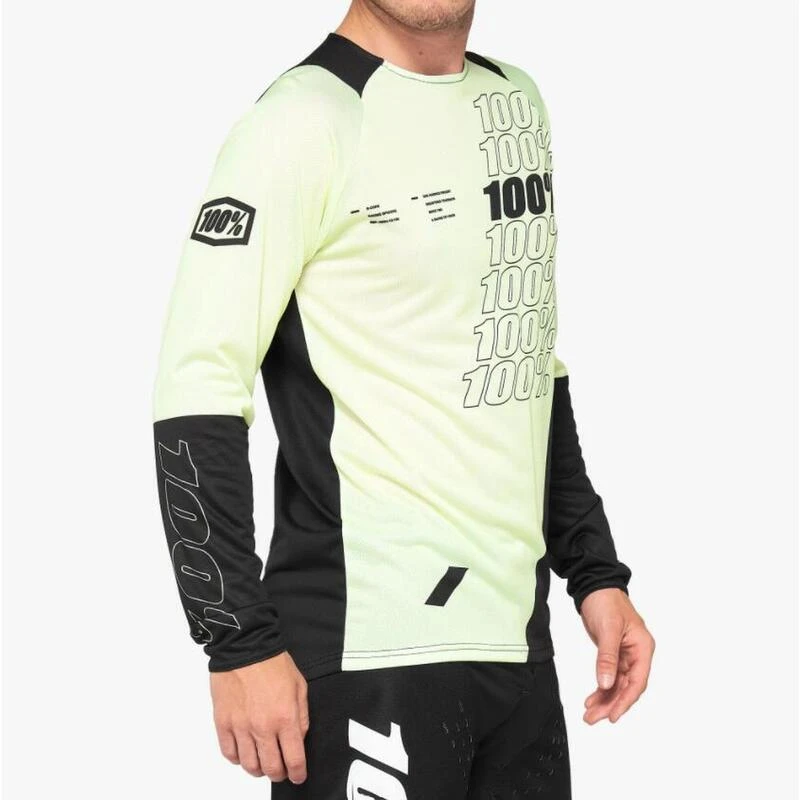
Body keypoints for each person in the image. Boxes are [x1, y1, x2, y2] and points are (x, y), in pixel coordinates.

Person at [152, 1, 655, 796]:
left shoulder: (513, 105)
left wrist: (595, 575)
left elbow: (527, 360)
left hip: (517, 648)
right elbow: (196, 390)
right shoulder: (300, 123)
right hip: (366, 651)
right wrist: (236, 640)